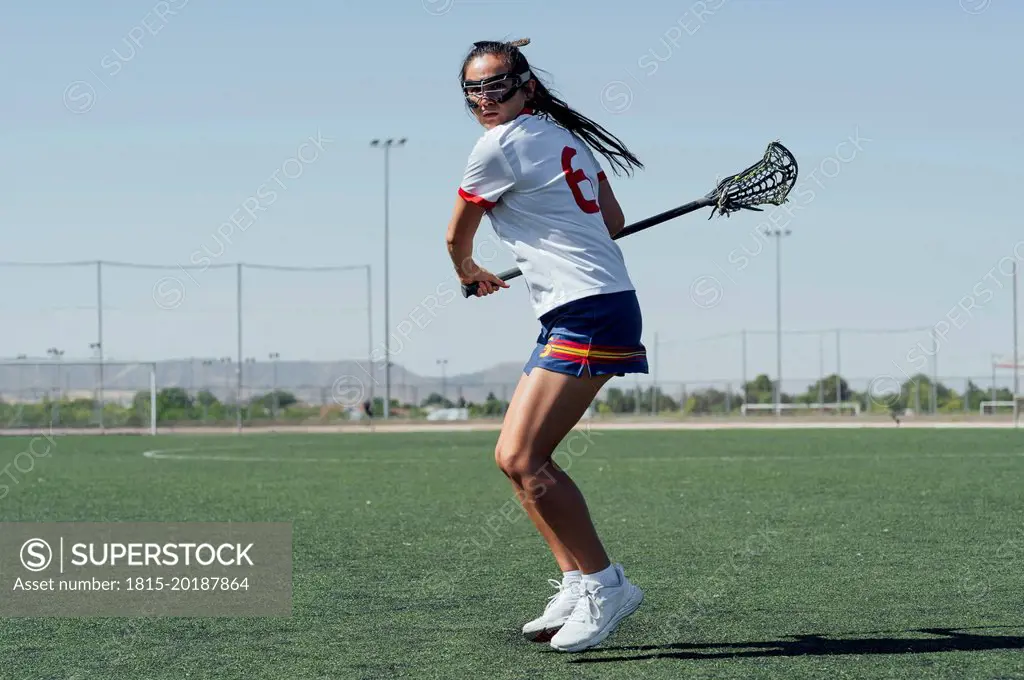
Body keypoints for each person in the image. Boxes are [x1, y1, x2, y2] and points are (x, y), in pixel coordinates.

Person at [445, 38, 647, 652]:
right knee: (513, 459)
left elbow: (456, 236)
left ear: (526, 84)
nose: (485, 98)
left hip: (589, 309)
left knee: (526, 457)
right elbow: (610, 222)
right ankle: (577, 582)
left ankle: (607, 586)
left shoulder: (498, 145)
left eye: (496, 84)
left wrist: (469, 273)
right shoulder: (564, 140)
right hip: (581, 307)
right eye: (473, 89)